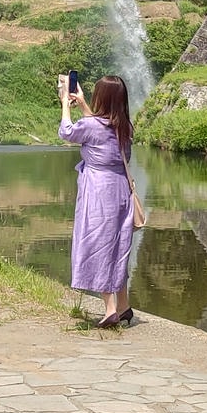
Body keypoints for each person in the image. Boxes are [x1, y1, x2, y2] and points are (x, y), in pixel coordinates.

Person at [59, 73, 136, 328]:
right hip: (120, 191)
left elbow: (67, 132)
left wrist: (64, 104)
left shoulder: (93, 126)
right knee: (118, 245)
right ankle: (124, 306)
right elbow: (101, 128)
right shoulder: (124, 126)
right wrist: (82, 105)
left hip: (99, 192)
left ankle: (110, 308)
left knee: (99, 244)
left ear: (101, 97)